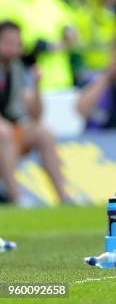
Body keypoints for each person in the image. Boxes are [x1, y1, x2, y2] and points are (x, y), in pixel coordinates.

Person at [0, 21, 69, 204]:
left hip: (9, 132)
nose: (14, 48)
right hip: (3, 133)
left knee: (44, 132)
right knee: (3, 131)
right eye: (8, 42)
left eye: (17, 43)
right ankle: (16, 198)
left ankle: (64, 197)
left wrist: (37, 85)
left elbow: (36, 115)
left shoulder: (18, 68)